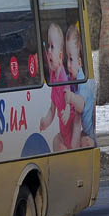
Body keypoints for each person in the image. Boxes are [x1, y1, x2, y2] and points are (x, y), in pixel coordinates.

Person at [39, 22, 75, 151]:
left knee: (62, 148)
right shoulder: (53, 78)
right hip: (63, 132)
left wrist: (66, 108)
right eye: (48, 46)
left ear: (60, 56)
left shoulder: (62, 77)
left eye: (52, 47)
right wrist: (46, 122)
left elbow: (67, 95)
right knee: (56, 141)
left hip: (71, 131)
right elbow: (52, 109)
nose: (48, 50)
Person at [64, 24, 95, 148]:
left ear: (80, 62)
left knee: (84, 141)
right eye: (67, 59)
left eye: (71, 59)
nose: (68, 64)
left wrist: (71, 98)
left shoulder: (83, 81)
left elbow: (80, 105)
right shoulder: (73, 78)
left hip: (89, 133)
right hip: (83, 129)